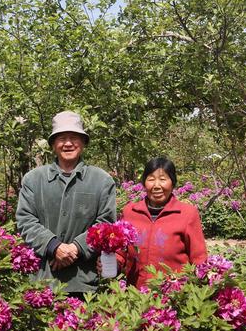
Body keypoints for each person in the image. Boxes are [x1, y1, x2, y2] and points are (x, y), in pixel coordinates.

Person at [16, 111, 116, 295]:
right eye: (62, 138)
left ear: (84, 143)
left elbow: (106, 223)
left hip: (83, 282)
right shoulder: (33, 179)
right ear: (53, 144)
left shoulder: (102, 180)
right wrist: (53, 246)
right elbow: (25, 219)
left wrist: (76, 248)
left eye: (74, 138)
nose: (68, 143)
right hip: (42, 281)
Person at [118, 157, 208, 289]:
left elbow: (199, 257)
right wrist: (112, 262)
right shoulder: (130, 212)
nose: (157, 185)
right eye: (151, 179)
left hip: (174, 296)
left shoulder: (187, 214)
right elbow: (120, 252)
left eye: (163, 179)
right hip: (136, 296)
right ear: (144, 183)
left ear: (172, 182)